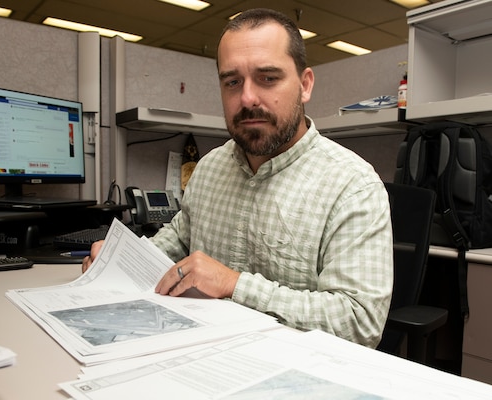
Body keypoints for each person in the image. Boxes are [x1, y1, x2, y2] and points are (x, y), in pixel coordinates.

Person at [83, 8, 393, 348]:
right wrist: (120, 259)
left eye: (268, 78)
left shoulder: (352, 185)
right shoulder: (210, 167)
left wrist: (234, 284)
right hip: (200, 354)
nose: (247, 98)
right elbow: (177, 244)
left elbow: (359, 323)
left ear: (305, 86)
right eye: (232, 81)